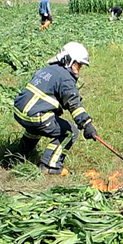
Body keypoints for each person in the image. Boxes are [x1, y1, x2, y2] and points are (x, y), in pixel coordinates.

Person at [13, 42, 98, 176]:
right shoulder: (66, 79)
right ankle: (50, 166)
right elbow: (74, 105)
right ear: (69, 60)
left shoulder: (46, 69)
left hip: (19, 112)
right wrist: (87, 125)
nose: (79, 70)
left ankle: (20, 153)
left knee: (37, 126)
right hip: (35, 116)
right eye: (78, 65)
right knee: (70, 132)